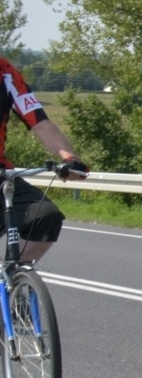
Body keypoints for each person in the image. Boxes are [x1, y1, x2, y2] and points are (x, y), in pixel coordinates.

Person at [0, 58, 90, 259]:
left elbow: (39, 121)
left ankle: (12, 279)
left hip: (0, 175)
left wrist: (69, 157)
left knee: (45, 216)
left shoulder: (6, 75)